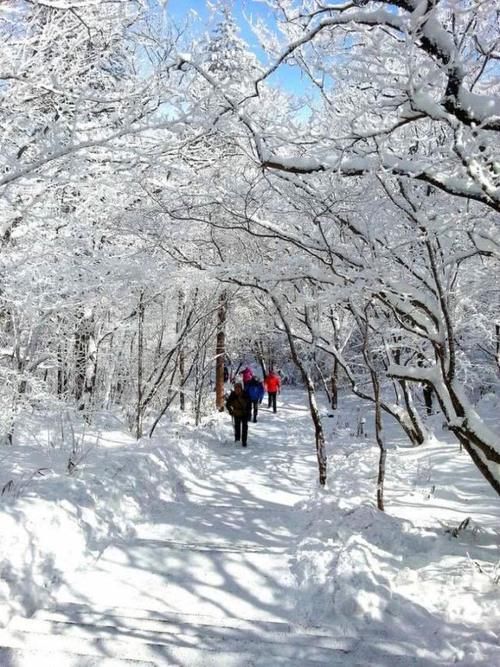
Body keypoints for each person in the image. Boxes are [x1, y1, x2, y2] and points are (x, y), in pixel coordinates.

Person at [226, 382, 251, 447]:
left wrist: (249, 413)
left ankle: (244, 442)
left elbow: (249, 405)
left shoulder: (245, 394)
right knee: (237, 427)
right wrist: (230, 411)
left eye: (238, 388)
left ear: (241, 388)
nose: (237, 390)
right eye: (236, 388)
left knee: (244, 428)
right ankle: (237, 440)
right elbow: (227, 404)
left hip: (244, 413)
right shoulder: (233, 395)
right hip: (236, 413)